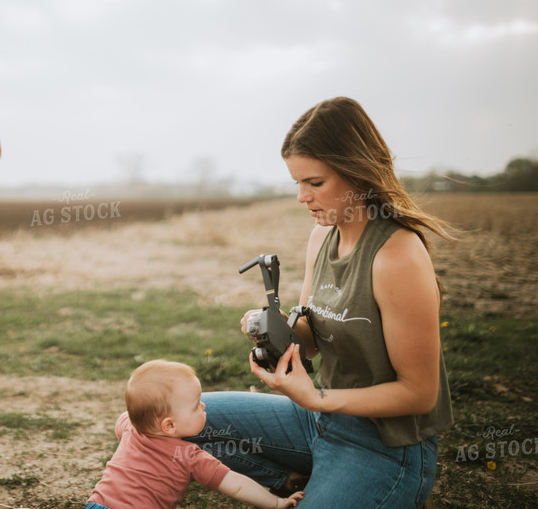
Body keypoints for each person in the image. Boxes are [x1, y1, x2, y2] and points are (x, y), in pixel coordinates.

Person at [186, 97, 454, 508]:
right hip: (317, 420)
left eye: (314, 183)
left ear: (358, 173)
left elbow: (419, 393)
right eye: (297, 182)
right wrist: (275, 329)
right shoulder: (321, 237)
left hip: (386, 443)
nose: (301, 197)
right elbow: (310, 341)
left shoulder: (397, 255)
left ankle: (353, 482)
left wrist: (316, 398)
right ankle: (291, 480)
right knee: (163, 423)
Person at [86, 360, 305, 509]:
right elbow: (237, 485)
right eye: (195, 406)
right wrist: (276, 503)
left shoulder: (129, 428)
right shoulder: (190, 456)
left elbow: (122, 418)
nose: (204, 406)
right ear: (169, 426)